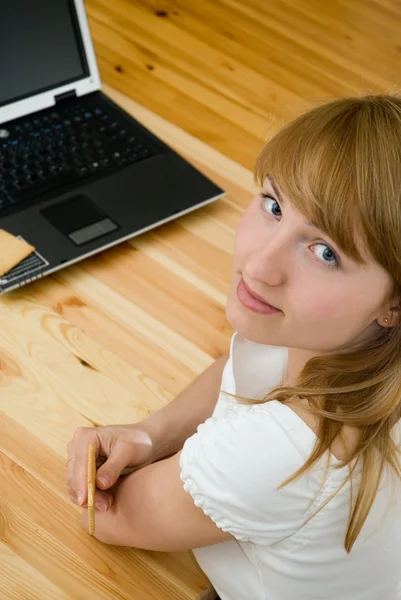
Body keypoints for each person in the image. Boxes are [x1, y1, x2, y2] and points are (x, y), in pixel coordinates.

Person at [66, 93, 401, 600]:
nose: (260, 265)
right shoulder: (340, 341)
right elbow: (249, 356)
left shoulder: (281, 455)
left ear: (393, 303)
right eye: (273, 206)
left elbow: (105, 515)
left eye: (325, 252)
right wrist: (152, 433)